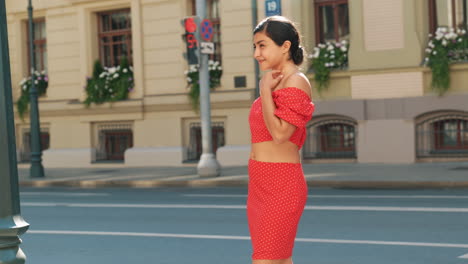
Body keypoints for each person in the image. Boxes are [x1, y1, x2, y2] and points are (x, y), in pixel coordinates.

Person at [247, 16, 315, 264]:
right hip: (259, 183)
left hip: (281, 185)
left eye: (262, 45)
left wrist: (264, 91)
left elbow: (279, 134)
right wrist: (267, 90)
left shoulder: (296, 81)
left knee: (265, 260)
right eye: (255, 46)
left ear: (285, 46)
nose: (257, 54)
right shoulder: (274, 81)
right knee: (280, 260)